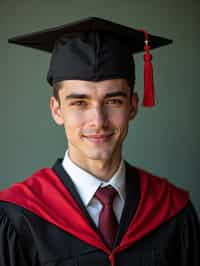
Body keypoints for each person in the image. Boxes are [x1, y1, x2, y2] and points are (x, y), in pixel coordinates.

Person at [0, 17, 199, 266]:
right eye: (79, 103)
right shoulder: (18, 217)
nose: (98, 121)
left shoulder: (172, 210)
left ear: (133, 106)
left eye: (113, 101)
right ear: (57, 110)